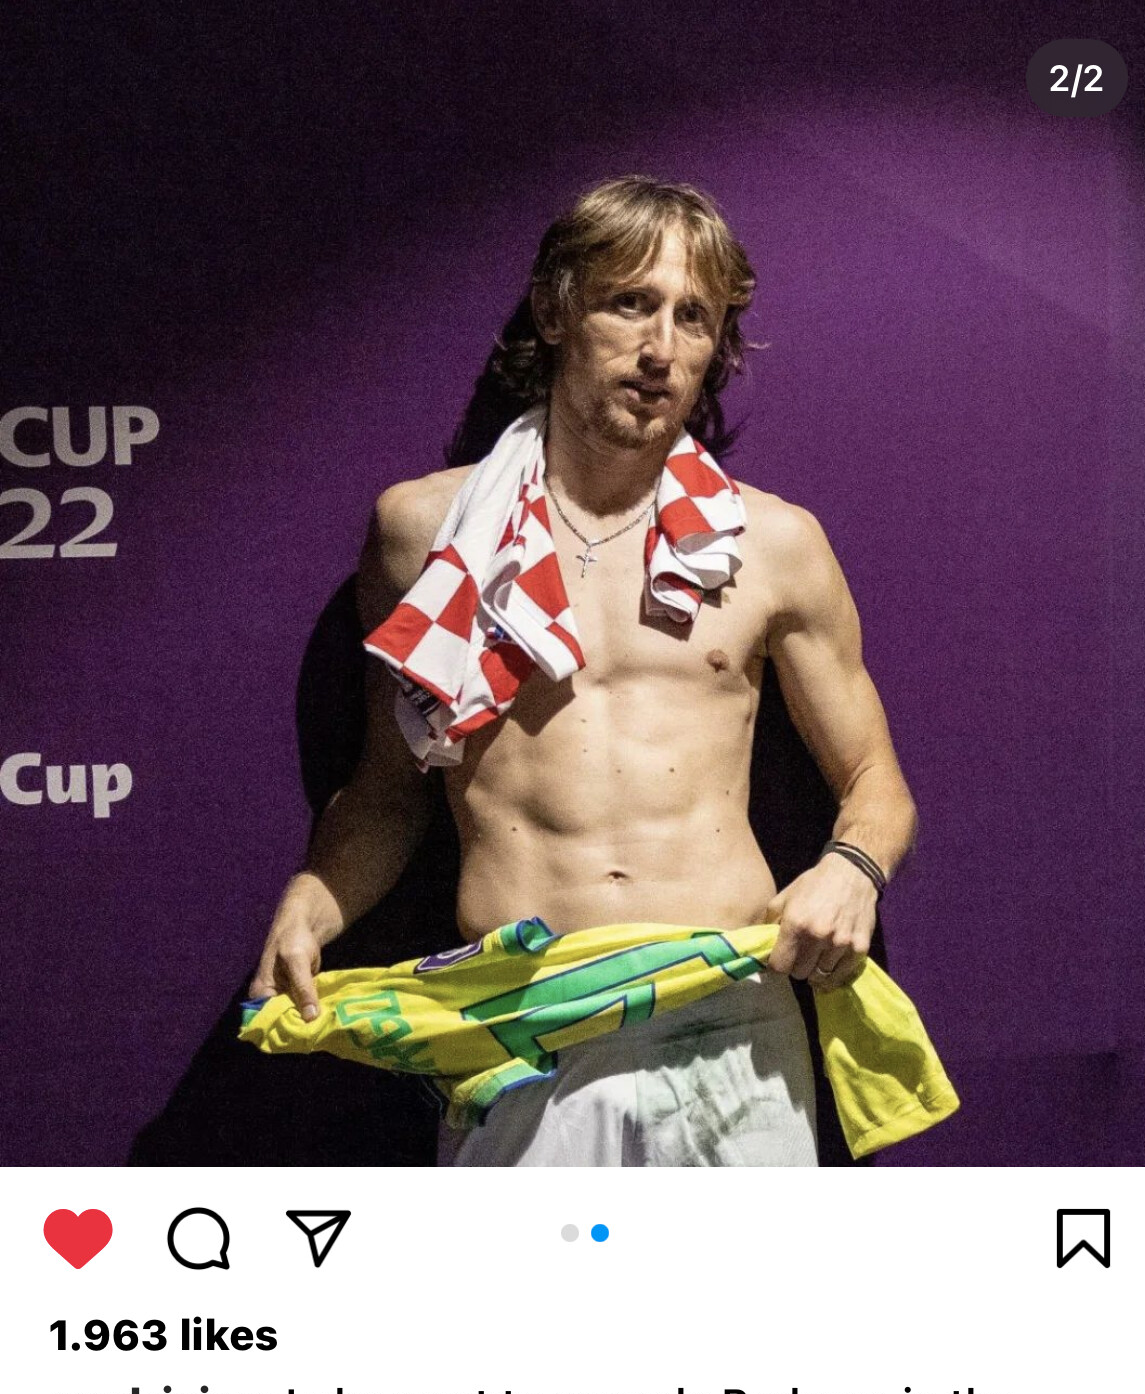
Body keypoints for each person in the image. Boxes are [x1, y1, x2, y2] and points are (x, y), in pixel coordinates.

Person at [249, 176, 918, 1166]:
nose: (661, 349)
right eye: (630, 303)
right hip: (525, 1027)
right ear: (556, 310)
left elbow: (876, 782)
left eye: (693, 317)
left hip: (729, 1016)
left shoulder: (772, 544)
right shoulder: (427, 535)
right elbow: (390, 791)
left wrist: (852, 870)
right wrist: (316, 896)